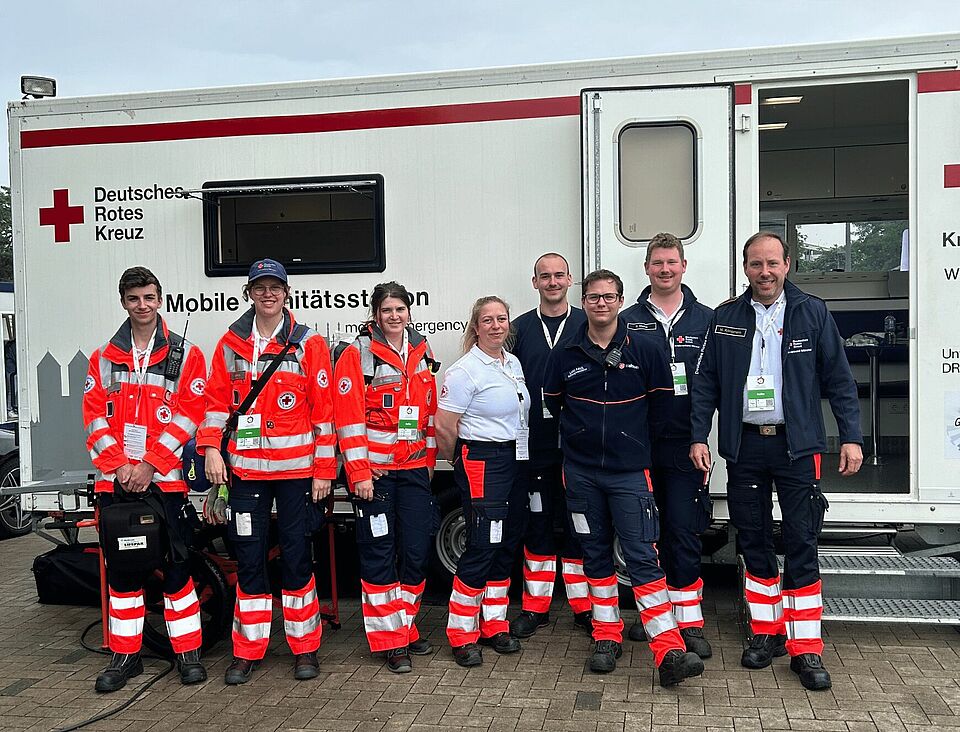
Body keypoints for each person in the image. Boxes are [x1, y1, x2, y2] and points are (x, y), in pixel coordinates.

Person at [689, 231, 863, 691]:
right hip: (746, 447)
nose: (764, 273)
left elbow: (840, 380)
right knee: (754, 542)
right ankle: (766, 635)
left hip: (797, 447)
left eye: (772, 264)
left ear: (788, 264)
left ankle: (806, 649)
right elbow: (705, 383)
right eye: (755, 265)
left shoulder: (812, 312)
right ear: (744, 268)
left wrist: (851, 437)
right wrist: (697, 436)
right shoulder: (726, 317)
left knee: (803, 542)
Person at [543, 269, 704, 686]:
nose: (601, 303)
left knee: (642, 555)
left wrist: (632, 443)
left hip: (630, 474)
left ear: (620, 299)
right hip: (580, 475)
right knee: (594, 555)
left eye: (609, 297)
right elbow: (554, 405)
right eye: (593, 297)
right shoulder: (566, 353)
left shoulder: (647, 349)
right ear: (585, 300)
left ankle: (668, 648)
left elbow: (663, 409)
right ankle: (606, 636)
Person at [198, 259, 337, 685]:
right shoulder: (229, 343)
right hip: (247, 476)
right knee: (250, 559)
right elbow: (216, 405)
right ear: (249, 292)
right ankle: (247, 651)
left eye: (275, 286)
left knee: (296, 558)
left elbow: (324, 413)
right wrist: (209, 450)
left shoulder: (308, 344)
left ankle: (305, 648)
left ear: (286, 292)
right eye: (260, 287)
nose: (268, 294)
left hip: (297, 475)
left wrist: (323, 471)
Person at [82, 266, 208, 691]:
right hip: (115, 483)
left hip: (165, 481)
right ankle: (125, 657)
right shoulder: (102, 356)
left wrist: (150, 464)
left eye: (149, 298)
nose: (143, 306)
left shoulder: (186, 354)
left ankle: (187, 654)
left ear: (160, 299)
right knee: (123, 573)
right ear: (123, 302)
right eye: (134, 299)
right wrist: (120, 466)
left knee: (176, 571)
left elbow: (190, 416)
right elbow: (93, 417)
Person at [333, 282, 440, 674]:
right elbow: (347, 418)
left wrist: (428, 462)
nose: (395, 316)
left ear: (409, 312)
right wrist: (359, 471)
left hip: (413, 472)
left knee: (415, 552)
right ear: (376, 314)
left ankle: (406, 627)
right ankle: (391, 642)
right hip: (374, 477)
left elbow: (426, 415)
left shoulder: (421, 350)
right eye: (387, 309)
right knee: (379, 555)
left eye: (400, 309)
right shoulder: (356, 354)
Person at [621, 233, 714, 659]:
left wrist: (701, 436)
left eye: (671, 262)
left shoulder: (707, 320)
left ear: (683, 266)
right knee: (644, 535)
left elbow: (712, 386)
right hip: (638, 445)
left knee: (682, 530)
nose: (664, 269)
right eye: (657, 263)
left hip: (684, 445)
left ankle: (689, 622)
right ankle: (654, 618)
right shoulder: (626, 320)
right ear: (646, 269)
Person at [435, 296, 529, 667]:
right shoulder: (465, 371)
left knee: (505, 543)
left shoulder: (512, 363)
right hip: (483, 460)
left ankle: (494, 624)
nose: (495, 325)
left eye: (501, 319)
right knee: (480, 544)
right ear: (475, 327)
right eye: (487, 320)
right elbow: (444, 426)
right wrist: (456, 459)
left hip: (514, 458)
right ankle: (462, 633)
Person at [507, 253, 590, 639]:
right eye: (545, 276)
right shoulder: (519, 329)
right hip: (535, 445)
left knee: (580, 526)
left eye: (559, 275)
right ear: (534, 281)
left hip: (579, 445)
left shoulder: (588, 323)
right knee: (537, 523)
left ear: (570, 280)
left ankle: (583, 606)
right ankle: (536, 606)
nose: (553, 282)